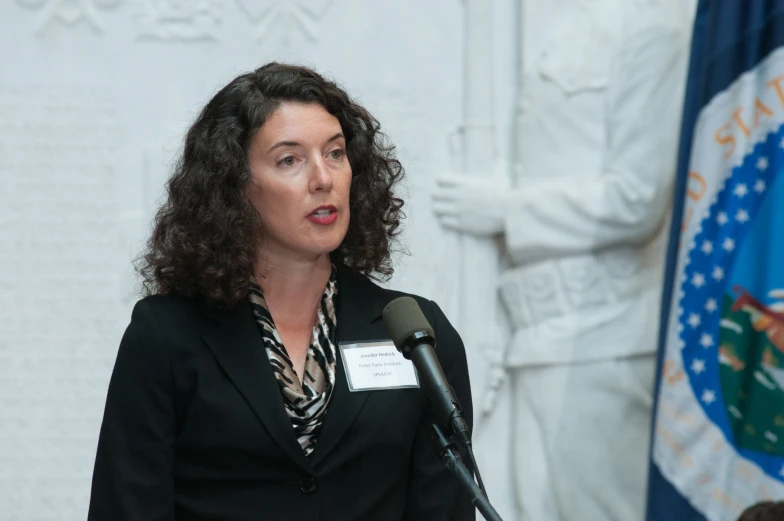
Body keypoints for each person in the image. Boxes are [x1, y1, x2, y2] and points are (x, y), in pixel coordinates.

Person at [87, 63, 475, 521]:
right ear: (234, 186)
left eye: (335, 153)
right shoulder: (167, 337)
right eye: (289, 160)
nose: (323, 179)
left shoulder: (416, 335)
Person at [432, 0, 695, 519]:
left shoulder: (651, 27)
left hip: (603, 336)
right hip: (534, 336)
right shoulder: (560, 25)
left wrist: (508, 210)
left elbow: (639, 199)